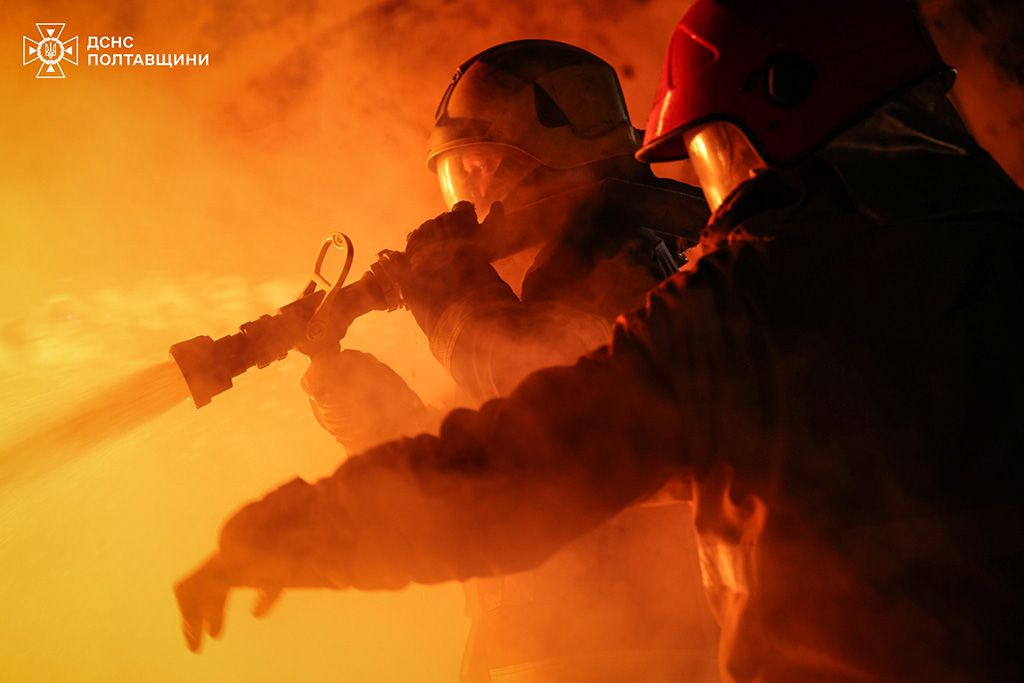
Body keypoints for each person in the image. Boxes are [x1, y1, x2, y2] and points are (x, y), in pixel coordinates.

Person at [175, 3, 1024, 681]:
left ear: (784, 114)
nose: (716, 186)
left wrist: (300, 529)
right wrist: (369, 411)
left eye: (714, 144)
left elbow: (536, 459)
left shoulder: (744, 305)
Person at [296, 40, 719, 682]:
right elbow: (483, 470)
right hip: (542, 641)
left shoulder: (615, 265)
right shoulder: (555, 287)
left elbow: (547, 401)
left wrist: (451, 287)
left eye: (483, 167)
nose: (468, 201)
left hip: (619, 647)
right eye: (458, 174)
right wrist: (370, 413)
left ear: (558, 162)